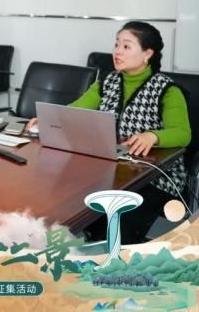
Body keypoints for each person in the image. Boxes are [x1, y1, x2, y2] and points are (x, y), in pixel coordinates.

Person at [27, 21, 191, 243]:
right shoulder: (107, 82)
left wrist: (153, 136)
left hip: (153, 178)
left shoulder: (167, 90)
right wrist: (50, 119)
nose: (117, 52)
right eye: (116, 45)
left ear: (147, 54)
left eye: (126, 46)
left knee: (113, 224)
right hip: (109, 171)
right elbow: (75, 110)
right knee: (60, 200)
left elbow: (182, 133)